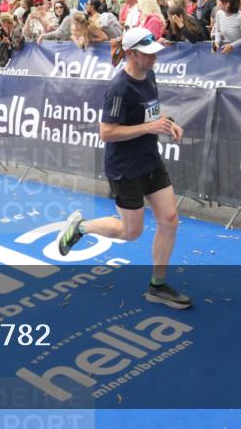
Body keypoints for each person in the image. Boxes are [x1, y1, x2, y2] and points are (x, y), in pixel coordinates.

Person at [55, 27, 191, 310]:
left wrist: (167, 123)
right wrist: (149, 127)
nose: (154, 58)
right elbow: (106, 132)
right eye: (147, 53)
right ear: (131, 54)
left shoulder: (149, 74)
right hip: (125, 168)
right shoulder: (119, 88)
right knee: (131, 233)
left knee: (170, 219)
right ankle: (81, 227)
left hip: (150, 159)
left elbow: (150, 115)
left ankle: (158, 285)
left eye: (154, 52)